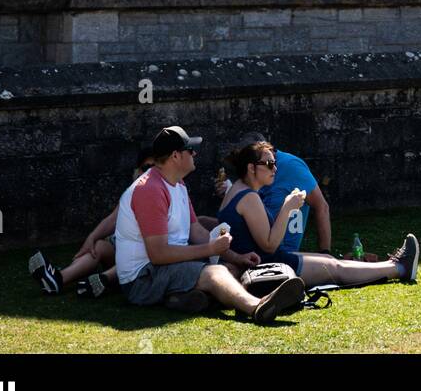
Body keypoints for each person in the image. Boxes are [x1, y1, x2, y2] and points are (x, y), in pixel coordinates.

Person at [115, 124, 306, 324]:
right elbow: (158, 254)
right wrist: (209, 249)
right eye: (190, 150)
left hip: (163, 268)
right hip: (142, 280)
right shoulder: (150, 190)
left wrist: (235, 256)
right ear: (175, 156)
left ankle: (184, 299)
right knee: (215, 272)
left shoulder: (177, 184)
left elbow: (195, 229)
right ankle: (257, 306)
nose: (195, 154)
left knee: (230, 267)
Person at [218, 141, 419, 290]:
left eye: (275, 162)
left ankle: (394, 264)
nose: (275, 168)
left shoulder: (234, 190)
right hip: (269, 265)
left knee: (330, 261)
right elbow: (269, 245)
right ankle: (399, 268)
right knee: (335, 268)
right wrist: (288, 208)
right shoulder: (249, 197)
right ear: (252, 168)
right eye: (269, 164)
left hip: (262, 262)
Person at [28, 144, 158, 298]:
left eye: (154, 168)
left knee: (139, 254)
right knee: (99, 246)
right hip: (122, 250)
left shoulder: (168, 193)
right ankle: (59, 278)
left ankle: (104, 279)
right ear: (138, 171)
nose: (149, 173)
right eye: (146, 167)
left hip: (145, 257)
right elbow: (113, 219)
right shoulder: (134, 192)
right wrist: (91, 238)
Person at [218, 130, 332, 254]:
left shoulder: (292, 167)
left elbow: (322, 206)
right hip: (265, 251)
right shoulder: (250, 176)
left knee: (332, 264)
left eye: (272, 163)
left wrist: (325, 251)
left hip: (283, 250)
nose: (274, 169)